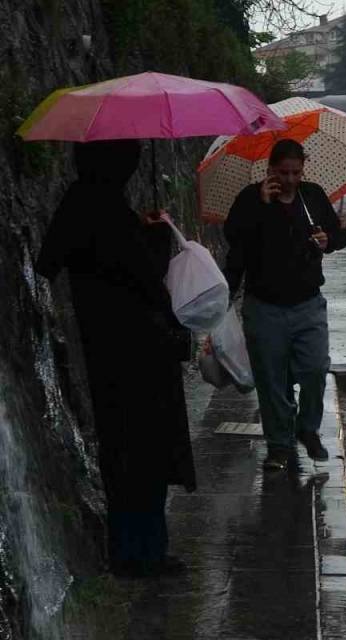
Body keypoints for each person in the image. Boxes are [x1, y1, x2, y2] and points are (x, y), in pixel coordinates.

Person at [36, 139, 197, 577]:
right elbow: (141, 274)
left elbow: (53, 261)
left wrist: (139, 229)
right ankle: (142, 552)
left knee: (123, 450)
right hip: (141, 352)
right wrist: (157, 236)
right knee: (144, 452)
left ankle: (133, 548)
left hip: (105, 351)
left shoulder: (82, 203)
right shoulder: (106, 207)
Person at [223, 139, 346, 471]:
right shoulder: (251, 199)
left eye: (296, 172)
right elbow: (236, 242)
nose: (291, 179)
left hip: (308, 303)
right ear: (270, 170)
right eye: (284, 172)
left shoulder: (313, 196)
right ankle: (279, 446)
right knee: (272, 380)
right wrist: (262, 208)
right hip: (264, 307)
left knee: (314, 369)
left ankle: (307, 428)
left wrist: (334, 237)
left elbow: (335, 239)